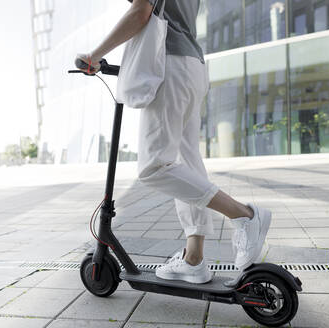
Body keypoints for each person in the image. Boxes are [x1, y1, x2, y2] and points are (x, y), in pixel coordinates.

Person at [77, 0, 271, 284]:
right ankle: (194, 259)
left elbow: (140, 12)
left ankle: (244, 215)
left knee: (154, 167)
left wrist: (94, 56)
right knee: (187, 164)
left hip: (168, 64)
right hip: (192, 65)